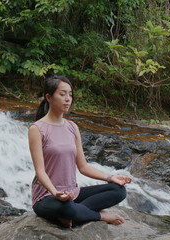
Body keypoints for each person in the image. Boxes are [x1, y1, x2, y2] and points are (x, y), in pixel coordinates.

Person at [28, 75, 132, 228]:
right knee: (67, 207)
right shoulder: (37, 129)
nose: (68, 99)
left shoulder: (72, 127)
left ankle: (72, 215)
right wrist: (56, 193)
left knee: (119, 191)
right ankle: (99, 216)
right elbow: (40, 171)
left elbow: (83, 167)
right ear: (49, 97)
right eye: (62, 94)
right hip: (46, 197)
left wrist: (111, 177)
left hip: (72, 193)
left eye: (70, 94)